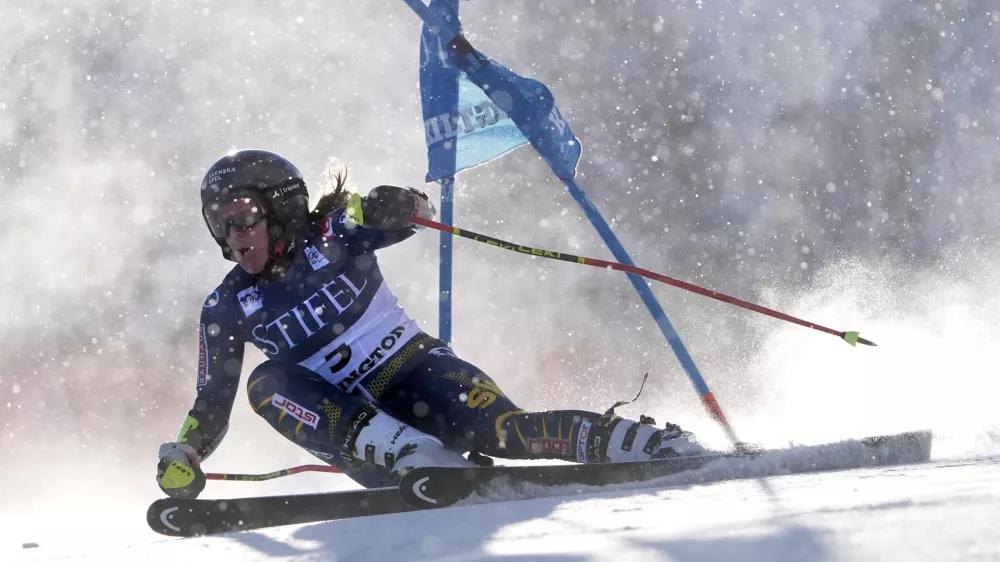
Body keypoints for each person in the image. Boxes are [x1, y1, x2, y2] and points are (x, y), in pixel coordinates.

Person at [155, 149, 705, 498]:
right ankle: (415, 456)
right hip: (357, 427)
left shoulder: (335, 231)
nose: (231, 235)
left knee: (506, 432)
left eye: (241, 215)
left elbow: (417, 210)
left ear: (279, 207)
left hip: (418, 374)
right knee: (265, 384)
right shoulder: (226, 306)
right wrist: (185, 450)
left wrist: (400, 202)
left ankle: (642, 442)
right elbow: (212, 400)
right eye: (218, 223)